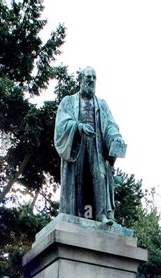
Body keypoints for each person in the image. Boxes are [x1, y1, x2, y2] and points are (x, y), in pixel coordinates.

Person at [54, 66, 126, 225]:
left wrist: (116, 137)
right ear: (80, 79)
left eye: (94, 77)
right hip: (77, 145)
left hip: (96, 145)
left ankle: (100, 215)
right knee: (78, 179)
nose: (91, 80)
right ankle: (78, 215)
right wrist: (79, 127)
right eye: (88, 77)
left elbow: (110, 125)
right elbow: (61, 124)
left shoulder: (102, 105)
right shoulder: (68, 101)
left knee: (99, 176)